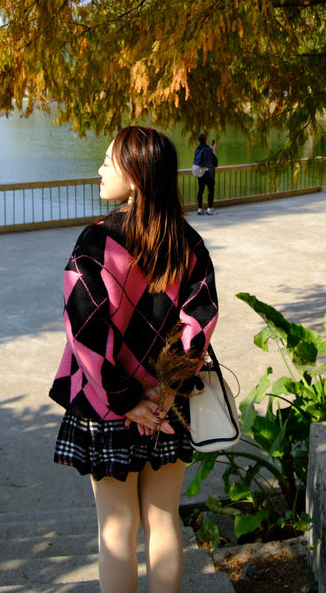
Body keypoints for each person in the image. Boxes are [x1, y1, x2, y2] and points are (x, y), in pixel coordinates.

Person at [50, 126, 218, 593]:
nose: (100, 169)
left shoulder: (96, 243)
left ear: (137, 175)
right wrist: (164, 391)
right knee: (163, 522)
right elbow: (200, 320)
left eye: (109, 161)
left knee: (116, 529)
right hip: (168, 407)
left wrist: (125, 398)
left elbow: (83, 325)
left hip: (107, 405)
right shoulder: (189, 244)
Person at [193, 133, 218, 215]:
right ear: (206, 140)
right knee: (211, 190)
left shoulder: (197, 149)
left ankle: (199, 209)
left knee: (200, 190)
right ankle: (209, 209)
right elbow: (215, 163)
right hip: (208, 173)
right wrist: (213, 151)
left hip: (200, 172)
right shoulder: (208, 149)